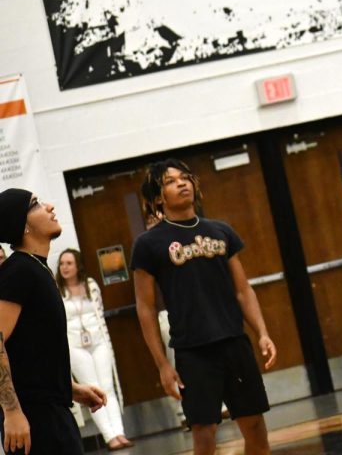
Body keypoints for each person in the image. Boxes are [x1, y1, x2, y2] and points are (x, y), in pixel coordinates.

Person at [132, 159, 277, 455]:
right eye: (171, 181)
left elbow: (243, 289)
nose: (182, 183)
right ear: (158, 197)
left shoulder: (221, 231)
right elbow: (145, 308)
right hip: (192, 350)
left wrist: (262, 331)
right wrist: (162, 364)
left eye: (185, 178)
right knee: (204, 434)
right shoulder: (148, 244)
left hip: (234, 342)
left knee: (256, 427)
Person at [0, 191, 107, 455]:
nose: (49, 206)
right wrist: (12, 411)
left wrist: (70, 388)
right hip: (33, 418)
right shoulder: (18, 272)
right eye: (35, 204)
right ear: (22, 224)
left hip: (53, 411)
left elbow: (29, 351)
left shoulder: (37, 269)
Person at [56, 249, 132, 450]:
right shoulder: (57, 291)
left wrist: (106, 343)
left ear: (78, 265)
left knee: (108, 387)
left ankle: (120, 433)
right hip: (75, 346)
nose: (64, 267)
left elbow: (99, 316)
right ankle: (110, 437)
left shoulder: (90, 286)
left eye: (69, 263)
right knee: (93, 389)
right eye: (62, 263)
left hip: (98, 342)